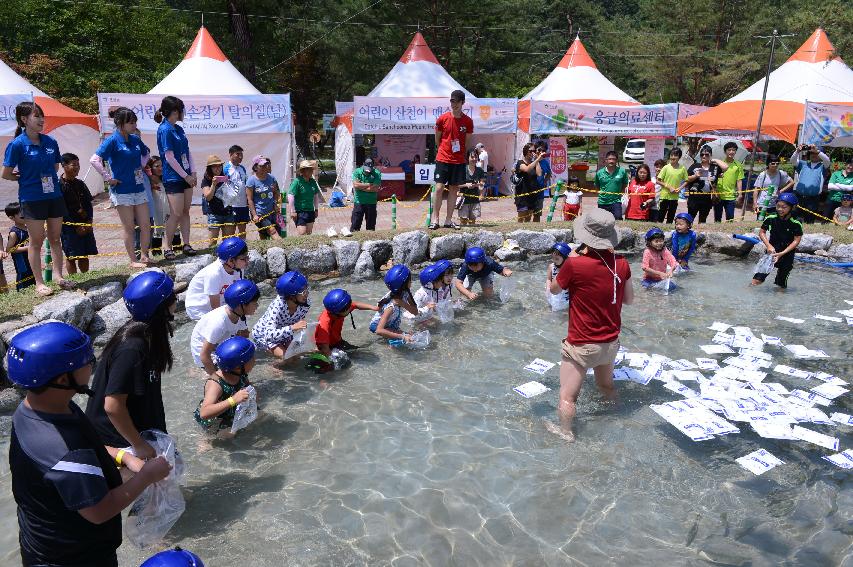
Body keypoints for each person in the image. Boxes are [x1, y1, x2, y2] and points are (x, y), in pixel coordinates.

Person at [8, 321, 171, 567]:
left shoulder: (35, 410)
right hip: (73, 558)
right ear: (63, 379)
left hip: (42, 543)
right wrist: (147, 476)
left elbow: (86, 448)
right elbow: (99, 510)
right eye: (85, 361)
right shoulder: (63, 448)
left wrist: (123, 457)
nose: (92, 363)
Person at [548, 208, 633, 441]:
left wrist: (572, 259)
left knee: (567, 397)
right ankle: (615, 421)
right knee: (606, 387)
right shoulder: (622, 263)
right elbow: (629, 299)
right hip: (610, 343)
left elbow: (554, 289)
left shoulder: (575, 265)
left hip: (581, 344)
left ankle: (566, 432)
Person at [85, 270, 176, 460]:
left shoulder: (148, 335)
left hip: (139, 434)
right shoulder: (132, 348)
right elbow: (112, 406)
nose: (176, 300)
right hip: (122, 443)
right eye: (173, 297)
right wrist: (139, 445)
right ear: (161, 308)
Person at [2, 101, 74, 296]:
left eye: (42, 116)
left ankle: (59, 277)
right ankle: (40, 283)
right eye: (37, 116)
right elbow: (6, 173)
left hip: (54, 196)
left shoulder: (51, 142)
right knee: (36, 240)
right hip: (32, 198)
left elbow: (56, 167)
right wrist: (25, 178)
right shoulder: (17, 144)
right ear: (24, 120)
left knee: (55, 239)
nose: (41, 120)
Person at [91, 107, 152, 267]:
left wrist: (141, 166)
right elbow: (95, 160)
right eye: (130, 123)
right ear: (120, 123)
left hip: (139, 188)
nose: (134, 126)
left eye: (134, 122)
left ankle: (145, 255)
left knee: (146, 224)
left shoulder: (135, 139)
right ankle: (133, 260)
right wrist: (108, 178)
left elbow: (146, 154)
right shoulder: (112, 140)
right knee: (129, 227)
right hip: (122, 191)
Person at [155, 96, 197, 259]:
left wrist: (192, 172)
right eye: (180, 110)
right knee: (176, 213)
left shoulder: (178, 129)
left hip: (186, 175)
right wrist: (185, 176)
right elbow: (169, 157)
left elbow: (187, 152)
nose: (183, 113)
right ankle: (167, 246)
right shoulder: (164, 129)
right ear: (174, 111)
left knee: (185, 211)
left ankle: (186, 244)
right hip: (174, 177)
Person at [190, 279, 258, 375]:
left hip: (220, 345)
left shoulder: (239, 314)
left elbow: (244, 337)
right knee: (233, 377)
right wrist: (217, 380)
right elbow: (204, 355)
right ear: (242, 305)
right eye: (254, 302)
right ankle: (203, 372)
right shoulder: (219, 323)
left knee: (249, 356)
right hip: (206, 354)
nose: (257, 305)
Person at [194, 336, 256, 432]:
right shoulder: (216, 384)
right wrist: (233, 400)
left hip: (230, 411)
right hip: (214, 420)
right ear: (239, 367)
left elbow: (246, 385)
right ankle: (205, 442)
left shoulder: (240, 374)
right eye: (252, 358)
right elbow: (204, 413)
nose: (255, 360)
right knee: (228, 436)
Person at [430, 90, 473, 229]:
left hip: (458, 160)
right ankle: (435, 219)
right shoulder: (442, 119)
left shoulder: (468, 121)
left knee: (454, 189)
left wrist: (459, 153)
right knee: (439, 188)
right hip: (443, 157)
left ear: (463, 103)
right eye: (452, 101)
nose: (454, 104)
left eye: (457, 101)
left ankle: (448, 220)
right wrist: (443, 149)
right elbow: (437, 139)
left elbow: (466, 143)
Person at [185, 236, 249, 320]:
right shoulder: (214, 273)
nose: (247, 261)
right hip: (199, 309)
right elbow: (215, 309)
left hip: (219, 301)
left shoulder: (238, 269)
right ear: (230, 261)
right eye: (244, 258)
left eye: (247, 257)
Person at [251, 271, 311, 359]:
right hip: (264, 335)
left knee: (297, 355)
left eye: (307, 289)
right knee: (286, 358)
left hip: (285, 332)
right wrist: (293, 328)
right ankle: (273, 367)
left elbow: (299, 320)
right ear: (291, 296)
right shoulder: (278, 307)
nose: (307, 294)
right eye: (303, 292)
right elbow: (269, 335)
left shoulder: (305, 303)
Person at [751, 192, 803, 288]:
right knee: (757, 279)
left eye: (784, 207)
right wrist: (768, 245)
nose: (780, 209)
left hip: (787, 255)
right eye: (778, 206)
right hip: (772, 252)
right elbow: (762, 232)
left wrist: (782, 253)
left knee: (781, 284)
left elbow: (796, 240)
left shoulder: (796, 222)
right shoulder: (771, 217)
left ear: (792, 207)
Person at [58, 153, 98, 274]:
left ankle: (85, 277)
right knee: (72, 255)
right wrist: (75, 226)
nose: (77, 167)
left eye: (78, 165)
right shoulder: (59, 185)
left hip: (84, 222)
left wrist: (89, 221)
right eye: (73, 165)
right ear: (64, 166)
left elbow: (88, 204)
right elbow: (61, 209)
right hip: (68, 226)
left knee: (84, 253)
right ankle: (74, 280)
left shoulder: (80, 183)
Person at [315, 289, 378, 355]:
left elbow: (356, 305)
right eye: (348, 307)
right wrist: (333, 358)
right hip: (325, 347)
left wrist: (373, 308)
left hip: (337, 341)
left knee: (360, 352)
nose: (350, 307)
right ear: (339, 311)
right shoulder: (325, 322)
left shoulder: (339, 310)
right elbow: (324, 348)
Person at [369, 265, 419, 342]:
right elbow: (379, 330)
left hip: (391, 325)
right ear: (404, 284)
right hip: (377, 326)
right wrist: (402, 336)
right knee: (405, 338)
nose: (411, 281)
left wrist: (403, 304)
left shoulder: (406, 293)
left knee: (411, 337)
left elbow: (415, 312)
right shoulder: (390, 306)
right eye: (410, 280)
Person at [790, 143, 829, 223]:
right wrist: (797, 151)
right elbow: (792, 160)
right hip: (799, 196)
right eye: (811, 153)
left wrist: (817, 151)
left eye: (816, 153)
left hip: (813, 199)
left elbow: (827, 160)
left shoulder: (823, 166)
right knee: (795, 219)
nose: (813, 155)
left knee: (809, 220)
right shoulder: (803, 164)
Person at [201, 155, 235, 246]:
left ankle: (227, 259)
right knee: (213, 243)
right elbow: (208, 197)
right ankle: (212, 258)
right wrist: (213, 184)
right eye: (214, 166)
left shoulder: (226, 177)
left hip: (228, 212)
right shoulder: (206, 181)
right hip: (214, 214)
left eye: (219, 165)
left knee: (228, 242)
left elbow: (232, 194)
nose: (218, 168)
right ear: (210, 168)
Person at [247, 155, 281, 239]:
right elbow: (250, 200)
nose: (264, 167)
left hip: (272, 211)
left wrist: (276, 204)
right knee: (272, 231)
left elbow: (277, 192)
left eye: (265, 165)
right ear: (255, 167)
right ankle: (284, 249)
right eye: (261, 166)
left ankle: (264, 250)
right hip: (260, 213)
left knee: (264, 234)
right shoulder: (251, 180)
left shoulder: (272, 178)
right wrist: (254, 215)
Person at [288, 159, 325, 236]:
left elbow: (315, 196)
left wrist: (316, 209)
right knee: (302, 233)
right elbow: (291, 195)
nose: (312, 171)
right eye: (309, 169)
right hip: (300, 211)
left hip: (310, 211)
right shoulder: (297, 181)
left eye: (312, 169)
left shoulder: (312, 181)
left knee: (308, 233)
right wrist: (292, 211)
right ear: (303, 171)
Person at [753, 153, 793, 220]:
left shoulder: (781, 173)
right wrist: (755, 203)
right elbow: (756, 189)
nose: (775, 165)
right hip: (762, 203)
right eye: (773, 163)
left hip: (775, 204)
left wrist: (781, 191)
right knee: (760, 223)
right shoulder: (763, 174)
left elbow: (792, 182)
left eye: (777, 163)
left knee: (773, 224)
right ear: (768, 164)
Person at [685, 148, 721, 224]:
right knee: (690, 219)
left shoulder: (714, 167)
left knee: (703, 220)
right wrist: (695, 176)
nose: (704, 156)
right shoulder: (695, 166)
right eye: (702, 154)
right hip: (694, 197)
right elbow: (686, 179)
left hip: (707, 198)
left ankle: (700, 234)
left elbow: (725, 167)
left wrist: (715, 160)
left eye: (707, 154)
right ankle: (688, 234)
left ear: (710, 155)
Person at [223, 145, 250, 239]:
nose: (240, 157)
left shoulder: (243, 168)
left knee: (242, 229)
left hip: (243, 205)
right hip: (232, 205)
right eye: (238, 154)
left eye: (241, 154)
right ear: (230, 154)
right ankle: (230, 250)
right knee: (231, 231)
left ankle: (243, 248)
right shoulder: (226, 168)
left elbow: (245, 184)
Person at [5, 202, 33, 290]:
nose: (24, 215)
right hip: (21, 261)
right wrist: (27, 248)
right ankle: (21, 292)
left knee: (32, 275)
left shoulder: (28, 228)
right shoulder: (14, 233)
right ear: (12, 218)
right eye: (20, 214)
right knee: (23, 278)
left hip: (31, 258)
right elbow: (9, 249)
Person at [713, 142, 744, 222]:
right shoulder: (719, 163)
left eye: (733, 150)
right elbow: (713, 178)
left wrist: (740, 194)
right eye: (729, 150)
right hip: (718, 195)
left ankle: (729, 234)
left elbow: (739, 180)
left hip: (731, 196)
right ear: (725, 151)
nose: (731, 152)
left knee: (730, 219)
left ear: (735, 152)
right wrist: (714, 192)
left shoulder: (738, 165)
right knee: (717, 218)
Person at [514, 142, 546, 222]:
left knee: (528, 219)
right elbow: (527, 169)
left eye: (534, 151)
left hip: (532, 195)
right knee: (521, 218)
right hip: (522, 195)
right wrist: (538, 159)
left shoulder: (534, 163)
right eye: (530, 151)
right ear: (525, 151)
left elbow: (539, 174)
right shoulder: (520, 163)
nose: (533, 153)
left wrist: (536, 160)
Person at [655, 148, 688, 224]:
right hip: (664, 196)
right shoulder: (666, 167)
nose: (673, 157)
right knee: (661, 216)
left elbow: (686, 181)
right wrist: (668, 187)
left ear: (679, 157)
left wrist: (680, 188)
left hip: (675, 197)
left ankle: (669, 232)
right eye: (671, 155)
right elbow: (658, 180)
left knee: (671, 217)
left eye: (675, 155)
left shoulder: (682, 168)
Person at [594, 150, 629, 220]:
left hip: (616, 201)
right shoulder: (599, 173)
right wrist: (602, 194)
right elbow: (597, 186)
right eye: (609, 159)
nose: (611, 161)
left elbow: (625, 183)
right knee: (602, 221)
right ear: (606, 160)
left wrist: (620, 193)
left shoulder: (622, 171)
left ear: (616, 161)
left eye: (614, 159)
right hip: (602, 202)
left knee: (618, 217)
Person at [145, 156, 168, 255]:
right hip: (156, 210)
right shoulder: (149, 180)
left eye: (162, 165)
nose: (160, 168)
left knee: (171, 227)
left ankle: (174, 248)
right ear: (151, 167)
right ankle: (156, 251)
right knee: (157, 228)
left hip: (167, 209)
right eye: (157, 166)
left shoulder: (166, 178)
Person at [350, 158, 381, 232]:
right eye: (366, 170)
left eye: (369, 170)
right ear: (363, 164)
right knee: (355, 224)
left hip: (372, 202)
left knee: (371, 227)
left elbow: (375, 189)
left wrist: (361, 187)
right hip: (359, 202)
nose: (367, 172)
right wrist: (369, 184)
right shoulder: (357, 171)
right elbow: (356, 185)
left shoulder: (377, 173)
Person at [458, 148, 485, 226]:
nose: (474, 159)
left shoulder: (480, 170)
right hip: (464, 200)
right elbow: (456, 185)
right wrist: (466, 185)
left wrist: (479, 188)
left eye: (476, 157)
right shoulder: (462, 170)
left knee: (472, 222)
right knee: (463, 221)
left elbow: (482, 183)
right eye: (472, 157)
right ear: (467, 158)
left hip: (475, 200)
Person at [546, 242, 572, 310]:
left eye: (557, 259)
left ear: (565, 258)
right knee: (552, 308)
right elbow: (548, 279)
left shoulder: (569, 269)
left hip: (565, 298)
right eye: (553, 257)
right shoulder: (551, 266)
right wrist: (548, 289)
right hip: (553, 294)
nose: (554, 260)